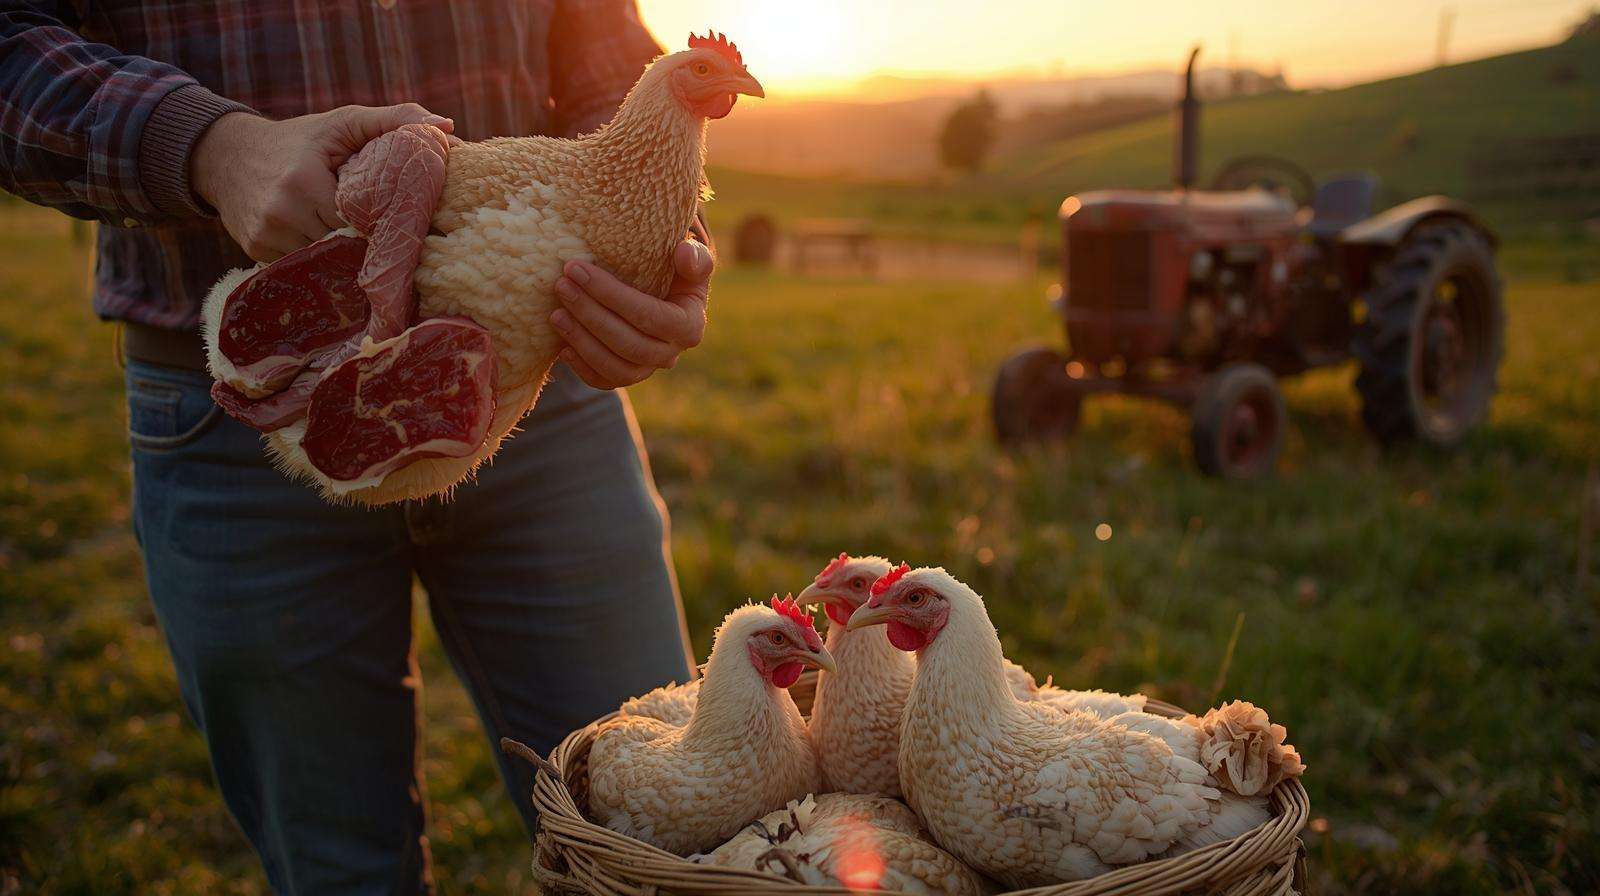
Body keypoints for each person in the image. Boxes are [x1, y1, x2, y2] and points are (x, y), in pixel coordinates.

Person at [0, 2, 710, 891]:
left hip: (544, 373)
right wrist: (210, 146)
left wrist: (657, 238)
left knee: (659, 832)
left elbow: (603, 49)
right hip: (255, 400)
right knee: (338, 870)